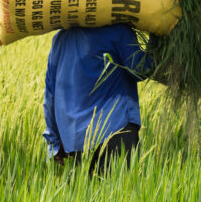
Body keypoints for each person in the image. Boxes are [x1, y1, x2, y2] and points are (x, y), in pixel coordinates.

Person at [43, 22, 155, 174]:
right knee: (119, 194)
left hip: (77, 139)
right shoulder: (118, 31)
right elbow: (140, 70)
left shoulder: (61, 39)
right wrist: (157, 37)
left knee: (89, 196)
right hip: (116, 128)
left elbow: (50, 95)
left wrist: (54, 143)